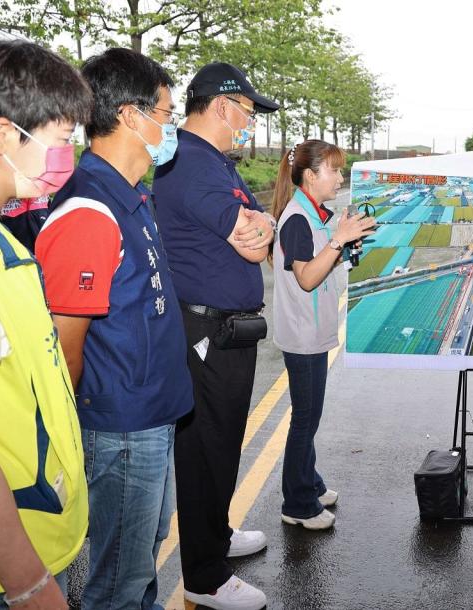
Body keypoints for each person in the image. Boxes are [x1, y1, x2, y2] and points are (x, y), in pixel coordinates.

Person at [34, 47, 193, 609]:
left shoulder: (128, 196)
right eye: (167, 114)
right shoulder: (89, 209)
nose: (169, 128)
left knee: (140, 556)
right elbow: (64, 345)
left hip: (150, 416)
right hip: (122, 426)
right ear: (131, 115)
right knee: (117, 582)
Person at [152, 62, 280, 609]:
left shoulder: (212, 162)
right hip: (204, 329)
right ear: (223, 106)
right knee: (206, 450)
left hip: (225, 331)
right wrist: (259, 228)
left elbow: (261, 227)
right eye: (248, 113)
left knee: (224, 442)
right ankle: (205, 576)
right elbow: (254, 241)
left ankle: (217, 538)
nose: (248, 125)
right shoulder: (193, 166)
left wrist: (260, 226)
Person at [0, 39, 91, 609]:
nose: (66, 160)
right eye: (61, 141)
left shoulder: (0, 238)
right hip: (7, 577)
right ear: (4, 137)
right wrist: (29, 586)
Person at [270, 140, 376, 529]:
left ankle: (309, 481)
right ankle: (297, 504)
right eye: (334, 170)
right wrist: (337, 241)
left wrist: (345, 244)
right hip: (302, 333)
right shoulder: (298, 217)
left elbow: (326, 262)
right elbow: (308, 276)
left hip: (313, 329)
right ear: (311, 176)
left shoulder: (317, 214)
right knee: (305, 419)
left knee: (309, 415)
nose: (341, 177)